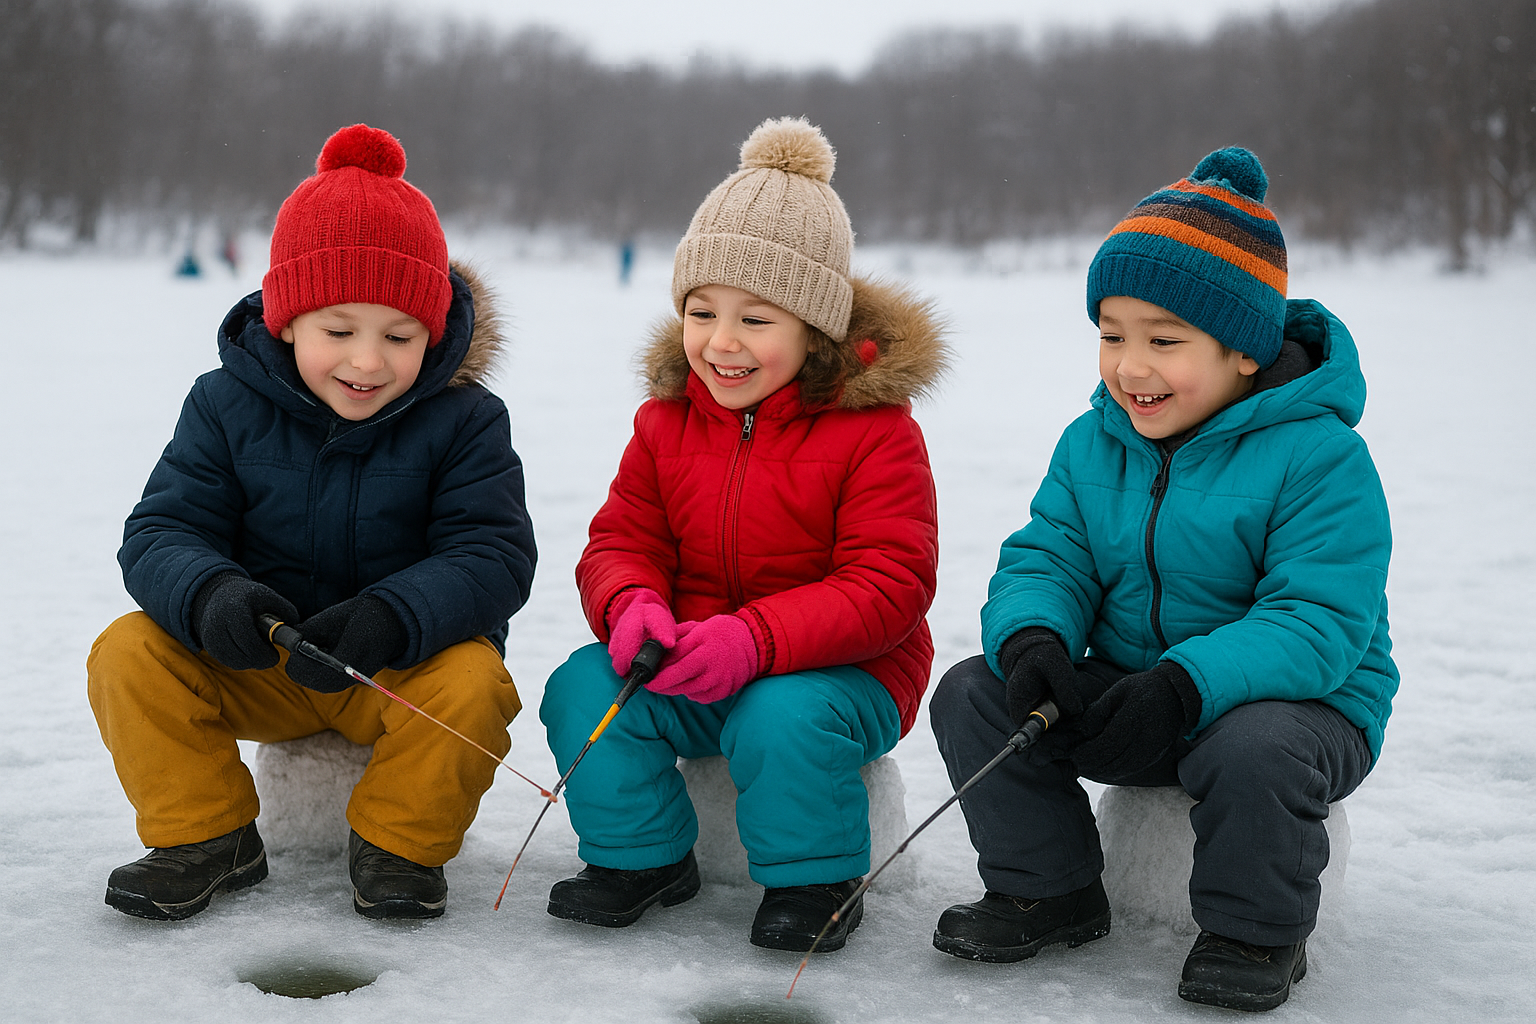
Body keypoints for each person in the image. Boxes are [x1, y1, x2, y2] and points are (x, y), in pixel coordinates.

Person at [928, 147, 1397, 1012]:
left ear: (1245, 352)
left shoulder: (1323, 458)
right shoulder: (1091, 441)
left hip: (1298, 708)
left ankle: (1254, 932)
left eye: (1164, 341)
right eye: (1112, 336)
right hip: (1139, 689)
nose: (1130, 368)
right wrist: (1036, 641)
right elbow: (1049, 555)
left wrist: (1185, 686)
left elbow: (1317, 623)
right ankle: (1050, 889)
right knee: (971, 690)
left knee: (1255, 745)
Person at [87, 124, 537, 922]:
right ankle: (207, 835)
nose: (368, 363)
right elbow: (160, 530)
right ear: (287, 320)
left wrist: (393, 617)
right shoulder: (222, 406)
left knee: (475, 683)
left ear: (431, 334)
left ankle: (399, 844)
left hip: (392, 674)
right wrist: (212, 595)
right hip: (259, 664)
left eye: (399, 337)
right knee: (127, 653)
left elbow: (493, 552)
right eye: (339, 332)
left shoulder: (466, 419)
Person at [539, 116, 949, 952]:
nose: (720, 343)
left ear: (816, 329)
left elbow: (890, 584)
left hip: (844, 675)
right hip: (692, 657)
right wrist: (631, 606)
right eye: (701, 312)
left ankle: (816, 879)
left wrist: (756, 639)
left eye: (757, 320)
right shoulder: (665, 423)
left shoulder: (875, 431)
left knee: (782, 714)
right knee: (585, 689)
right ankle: (641, 857)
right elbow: (620, 541)